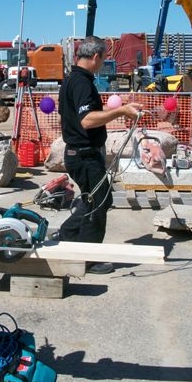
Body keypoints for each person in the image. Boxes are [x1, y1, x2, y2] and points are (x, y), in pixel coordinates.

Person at [57, 36, 143, 275]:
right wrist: (120, 112)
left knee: (92, 200)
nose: (103, 63)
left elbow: (85, 113)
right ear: (95, 57)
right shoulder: (82, 82)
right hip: (84, 156)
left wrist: (119, 110)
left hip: (79, 154)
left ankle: (65, 236)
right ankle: (88, 259)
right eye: (103, 59)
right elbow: (87, 120)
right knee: (100, 201)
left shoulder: (72, 80)